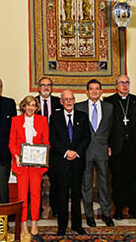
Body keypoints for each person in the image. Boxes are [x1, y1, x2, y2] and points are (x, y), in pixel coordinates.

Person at [49, 90, 91, 236]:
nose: (68, 101)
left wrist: (75, 152)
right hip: (61, 162)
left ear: (74, 100)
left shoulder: (82, 117)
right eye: (65, 99)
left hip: (77, 162)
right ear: (61, 102)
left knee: (76, 195)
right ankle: (62, 226)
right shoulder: (54, 117)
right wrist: (67, 152)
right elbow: (53, 139)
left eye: (71, 99)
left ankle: (77, 226)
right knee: (62, 195)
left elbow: (87, 138)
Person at [106, 74, 136, 219]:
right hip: (116, 147)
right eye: (122, 83)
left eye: (127, 82)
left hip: (133, 146)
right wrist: (108, 145)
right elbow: (106, 127)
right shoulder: (109, 101)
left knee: (132, 178)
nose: (125, 85)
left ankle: (132, 207)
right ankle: (118, 208)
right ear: (116, 85)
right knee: (117, 179)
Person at [9, 95, 49, 235]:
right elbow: (12, 142)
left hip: (36, 165)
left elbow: (46, 142)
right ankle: (23, 223)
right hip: (21, 164)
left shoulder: (42, 120)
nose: (31, 108)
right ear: (23, 106)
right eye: (28, 105)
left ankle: (34, 222)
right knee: (22, 195)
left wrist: (42, 159)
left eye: (33, 105)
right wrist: (16, 156)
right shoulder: (16, 120)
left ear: (36, 108)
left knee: (36, 194)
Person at [76, 79, 114, 227]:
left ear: (101, 91)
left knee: (104, 184)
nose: (94, 91)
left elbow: (112, 129)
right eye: (91, 89)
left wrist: (110, 145)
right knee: (86, 185)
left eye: (97, 89)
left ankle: (106, 214)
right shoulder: (79, 107)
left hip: (103, 150)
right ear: (87, 91)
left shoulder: (109, 108)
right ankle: (89, 215)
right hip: (85, 151)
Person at [35, 77, 61, 217]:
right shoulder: (32, 102)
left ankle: (56, 208)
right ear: (38, 87)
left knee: (56, 179)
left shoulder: (59, 102)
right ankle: (36, 209)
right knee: (36, 181)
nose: (46, 87)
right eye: (43, 85)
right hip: (37, 149)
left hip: (55, 148)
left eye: (48, 85)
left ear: (52, 87)